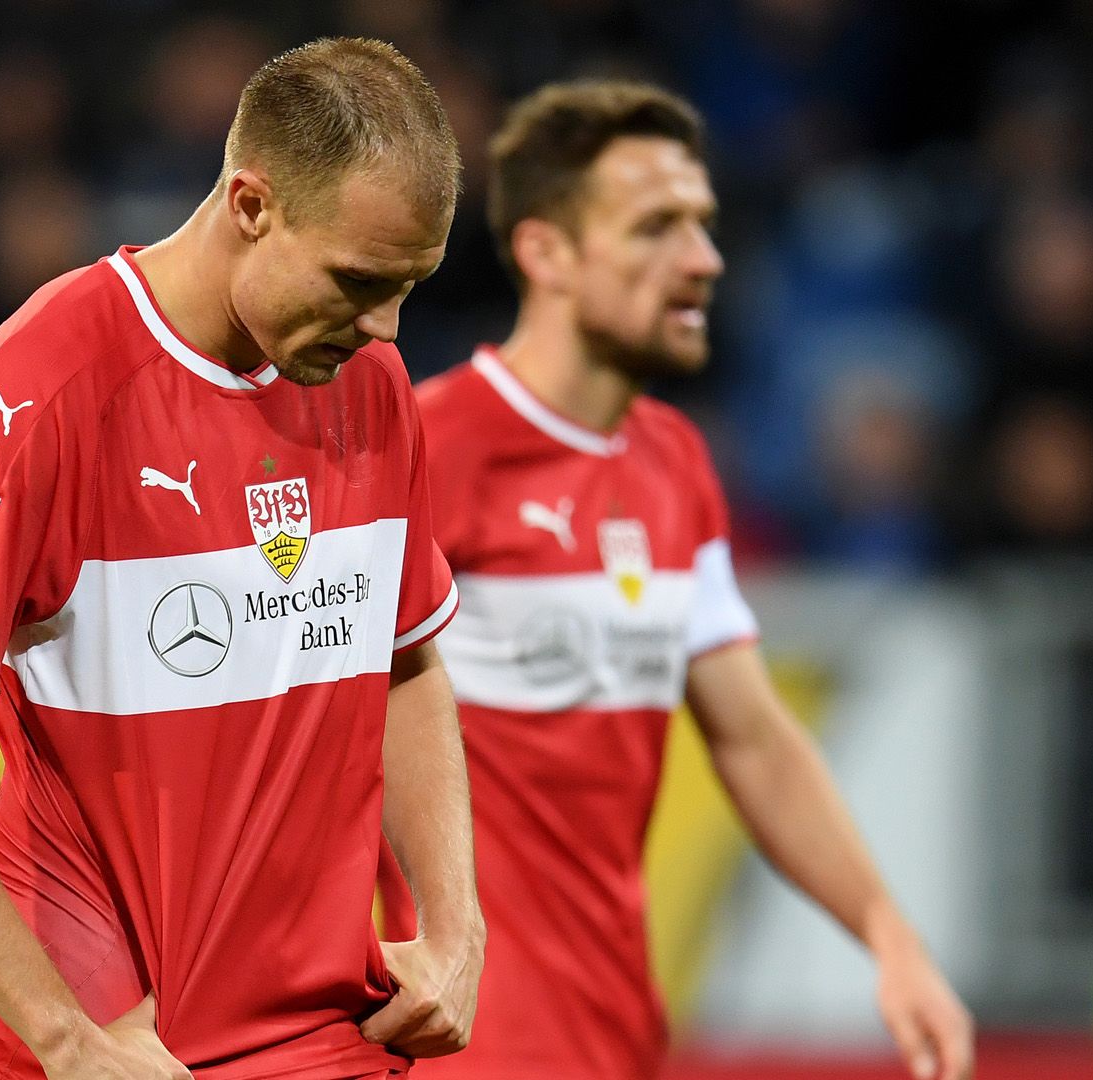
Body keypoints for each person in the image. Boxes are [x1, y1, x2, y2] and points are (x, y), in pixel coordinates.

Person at [0, 38, 483, 1080]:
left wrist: (455, 927)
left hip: (317, 1040)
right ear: (253, 204)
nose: (387, 328)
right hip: (101, 1046)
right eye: (360, 280)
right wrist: (64, 1039)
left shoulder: (370, 383)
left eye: (411, 287)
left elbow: (405, 660)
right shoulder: (45, 385)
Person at [381, 81, 974, 1080]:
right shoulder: (428, 451)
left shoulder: (673, 465)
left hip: (616, 1031)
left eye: (702, 224)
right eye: (655, 227)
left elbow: (751, 737)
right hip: (460, 1039)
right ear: (547, 253)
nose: (702, 259)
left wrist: (888, 935)